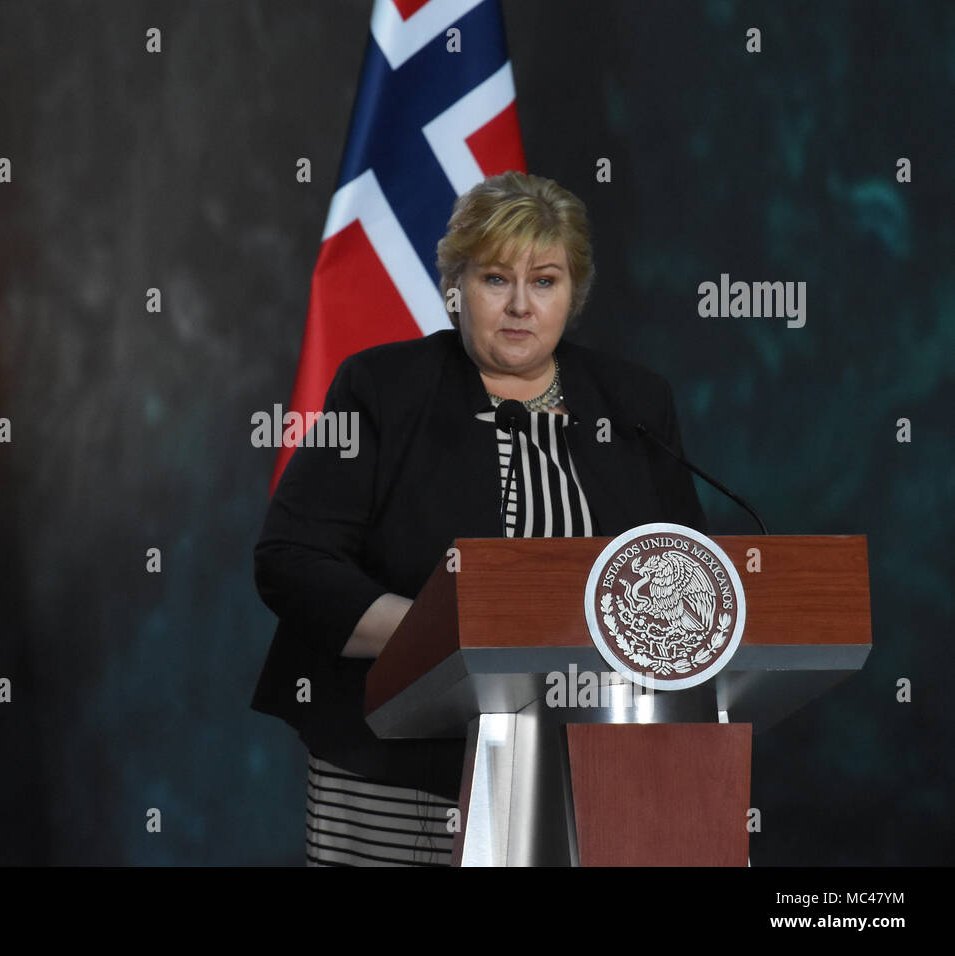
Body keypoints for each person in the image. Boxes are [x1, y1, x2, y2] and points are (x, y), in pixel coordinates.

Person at [251, 171, 708, 866]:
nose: (521, 306)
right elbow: (291, 560)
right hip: (400, 762)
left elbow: (685, 575)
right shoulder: (383, 388)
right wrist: (442, 637)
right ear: (454, 287)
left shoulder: (636, 402)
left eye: (545, 281)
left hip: (601, 762)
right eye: (497, 279)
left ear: (573, 295)